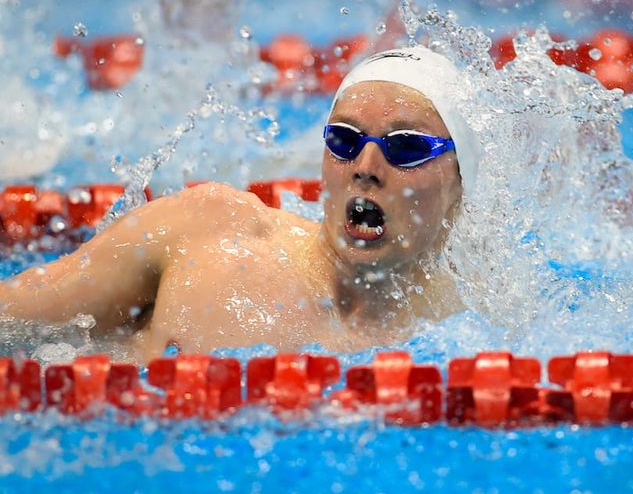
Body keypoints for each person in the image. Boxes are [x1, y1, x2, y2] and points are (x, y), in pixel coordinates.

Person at [0, 45, 480, 361]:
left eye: (407, 147)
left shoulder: (471, 325)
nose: (366, 165)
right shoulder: (209, 231)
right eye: (344, 138)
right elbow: (13, 318)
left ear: (462, 182)